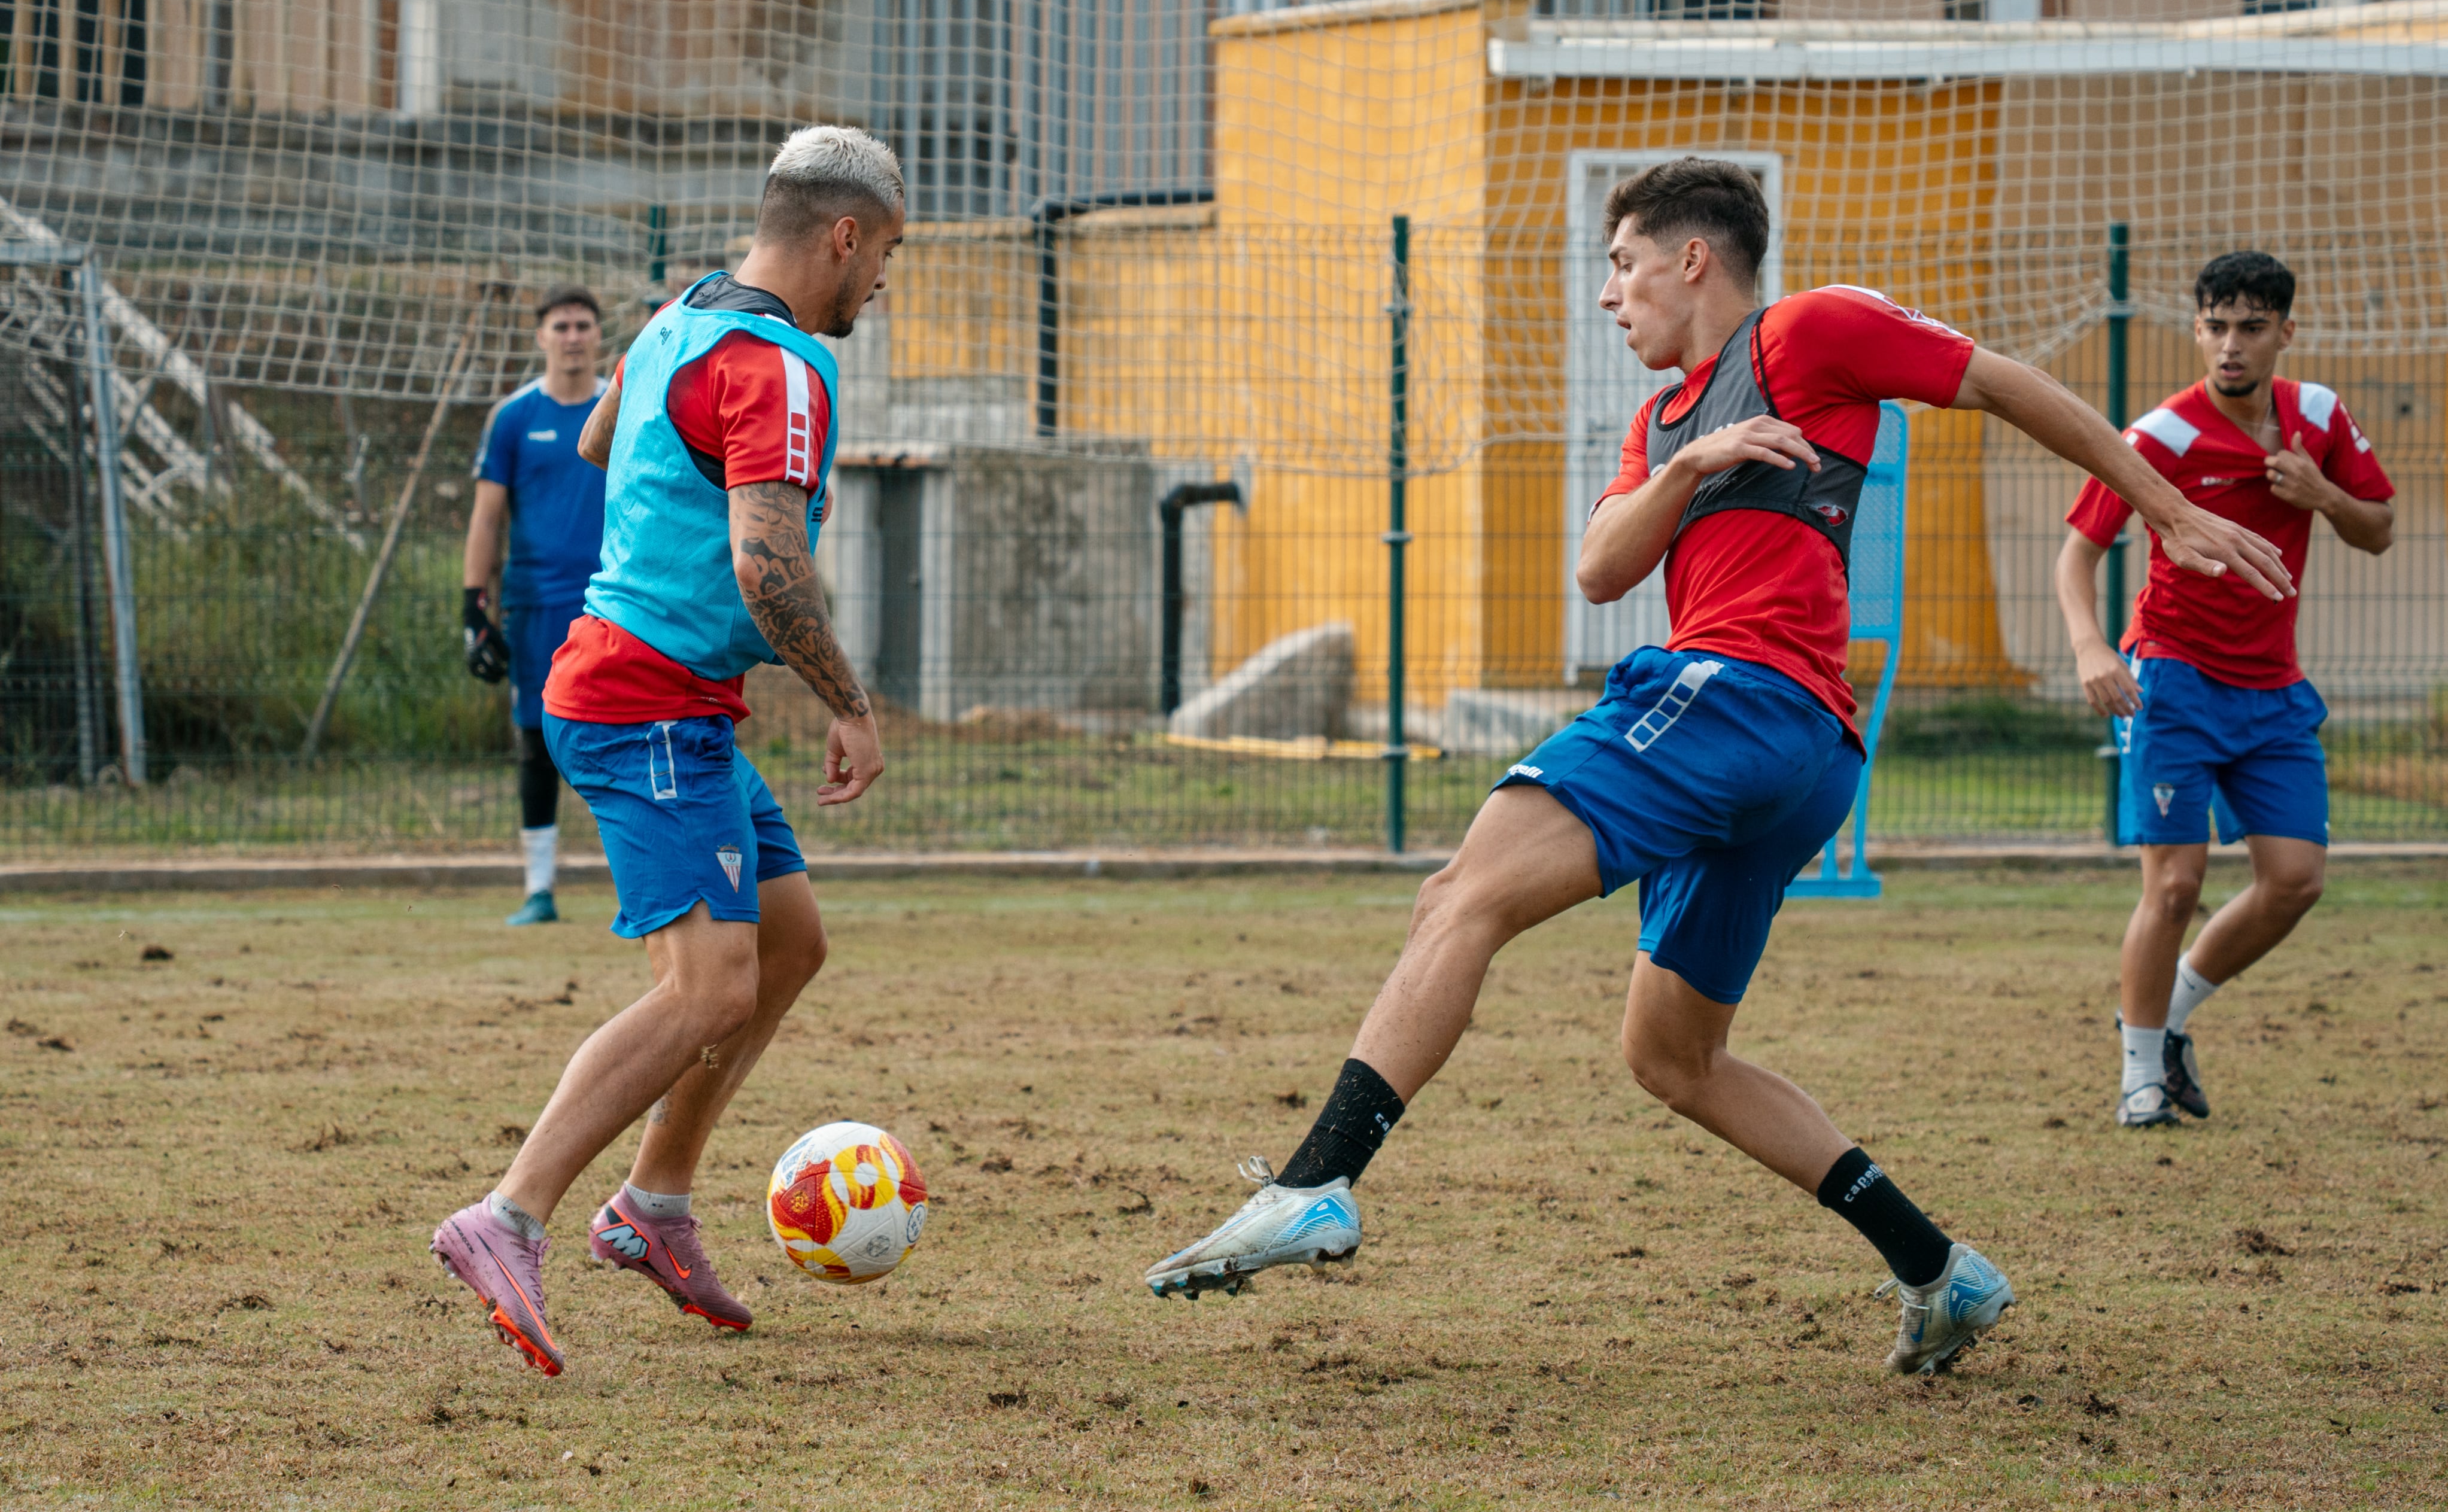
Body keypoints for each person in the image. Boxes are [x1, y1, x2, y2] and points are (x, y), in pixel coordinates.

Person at [1142, 159, 2294, 1376]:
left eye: (1620, 262)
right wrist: (1689, 467)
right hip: (1792, 754)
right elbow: (1597, 567)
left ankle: (1319, 1179)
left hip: (1740, 697)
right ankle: (1938, 1268)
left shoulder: (1807, 330)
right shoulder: (1662, 422)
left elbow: (2002, 384)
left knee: (1458, 896)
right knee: (1670, 1055)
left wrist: (2162, 510)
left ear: (1690, 258)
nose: (1608, 295)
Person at [430, 125, 903, 1377]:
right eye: (887, 255)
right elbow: (764, 559)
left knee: (789, 944)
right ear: (844, 236)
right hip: (643, 702)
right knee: (707, 990)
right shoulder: (780, 367)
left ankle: (656, 1206)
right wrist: (848, 701)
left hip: (666, 694)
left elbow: (602, 447)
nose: (883, 285)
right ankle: (509, 1213)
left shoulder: (684, 311)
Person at [2056, 251, 2394, 1130]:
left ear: (2285, 331)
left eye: (2250, 327)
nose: (2229, 344)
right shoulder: (2157, 438)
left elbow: (2378, 530)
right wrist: (2092, 646)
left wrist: (2320, 493)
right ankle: (2137, 1077)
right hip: (2171, 675)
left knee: (2295, 878)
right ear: (2196, 331)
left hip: (2272, 686)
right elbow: (2077, 554)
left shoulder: (2316, 417)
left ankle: (2163, 1017)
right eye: (2214, 326)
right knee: (2173, 884)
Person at [463, 287, 611, 926]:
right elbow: (486, 517)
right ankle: (539, 890)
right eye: (561, 326)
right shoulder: (514, 417)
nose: (573, 336)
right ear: (540, 337)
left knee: (624, 733)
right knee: (535, 739)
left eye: (583, 325)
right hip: (535, 604)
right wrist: (475, 606)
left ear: (598, 336)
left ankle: (640, 882)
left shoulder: (624, 405)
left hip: (615, 602)